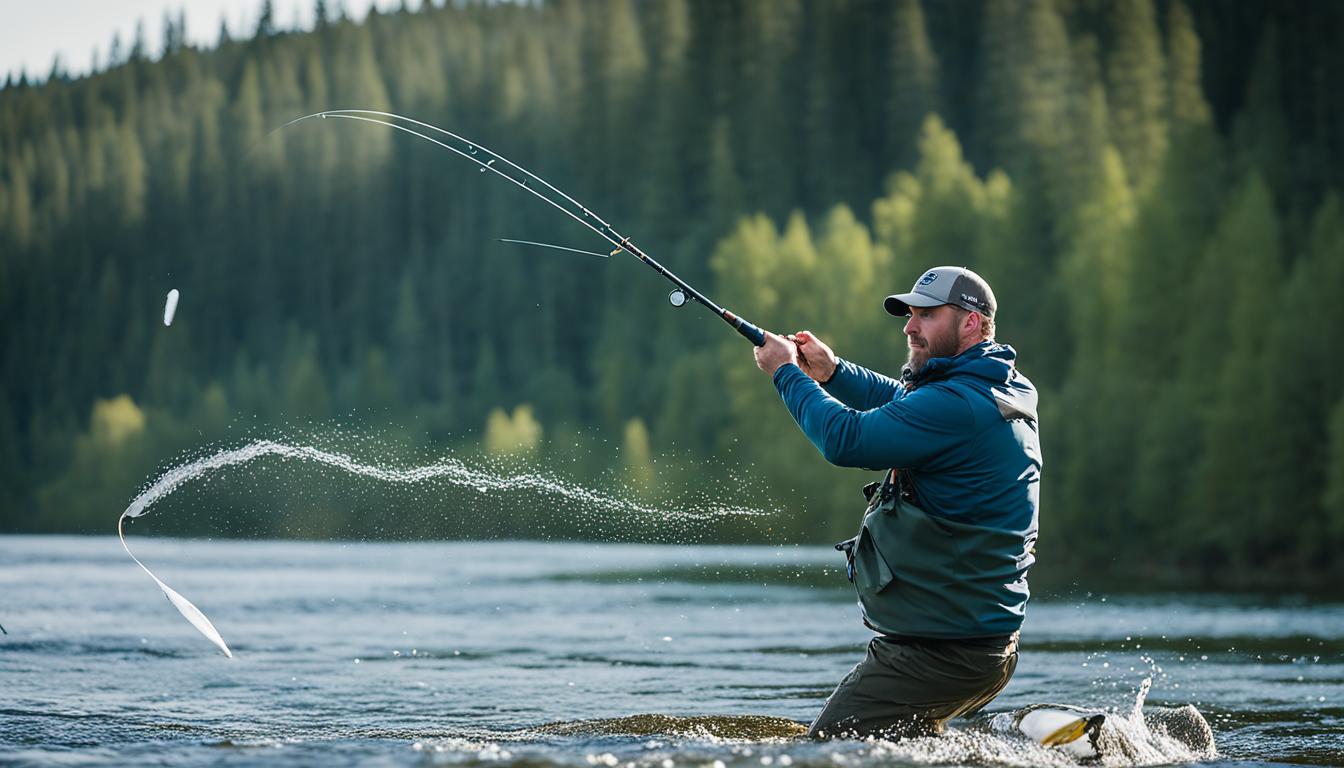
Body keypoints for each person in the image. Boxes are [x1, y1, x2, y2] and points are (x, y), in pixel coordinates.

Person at [751, 266, 1040, 740]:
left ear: (970, 322)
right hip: (979, 649)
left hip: (941, 654)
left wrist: (785, 372)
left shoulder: (956, 406)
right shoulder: (1004, 388)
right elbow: (908, 403)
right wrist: (832, 373)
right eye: (909, 315)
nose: (910, 327)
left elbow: (847, 440)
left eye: (926, 315)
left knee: (827, 749)